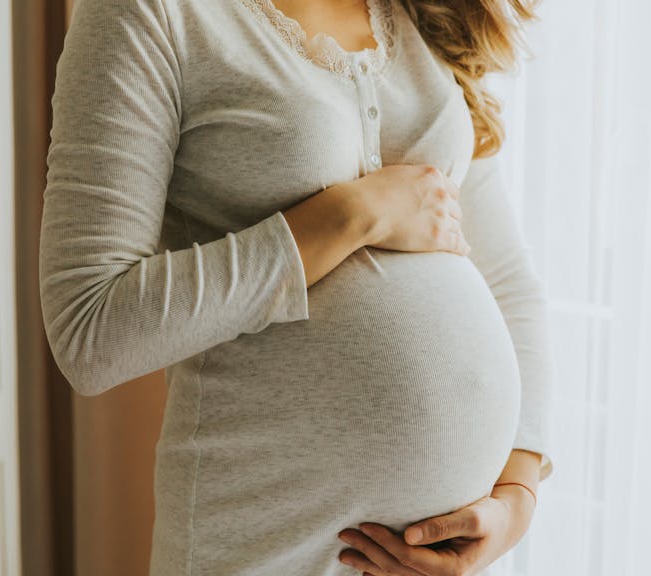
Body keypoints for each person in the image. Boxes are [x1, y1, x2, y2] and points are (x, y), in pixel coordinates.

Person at [38, 0, 554, 573]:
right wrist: (350, 217)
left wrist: (517, 497)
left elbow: (507, 282)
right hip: (266, 543)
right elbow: (89, 330)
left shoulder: (422, 12)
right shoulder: (151, 13)